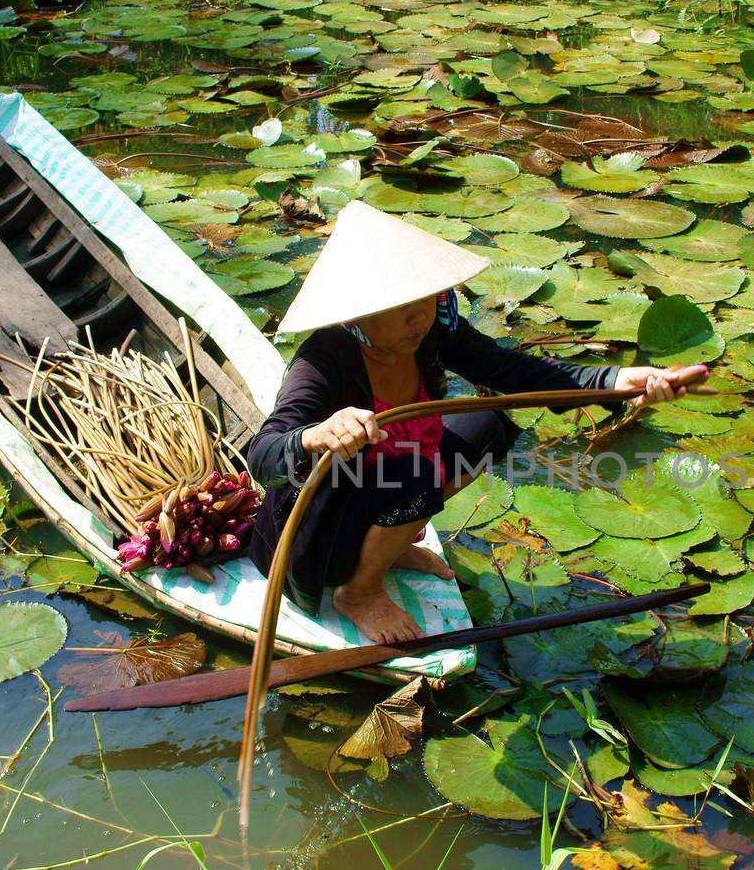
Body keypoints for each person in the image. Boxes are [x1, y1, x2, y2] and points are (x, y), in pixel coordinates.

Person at [244, 200, 706, 643]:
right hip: (314, 537)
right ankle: (358, 591)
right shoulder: (324, 361)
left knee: (485, 426)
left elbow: (517, 372)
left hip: (388, 489)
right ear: (358, 313)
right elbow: (262, 455)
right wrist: (315, 436)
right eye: (399, 305)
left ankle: (387, 548)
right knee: (414, 474)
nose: (418, 316)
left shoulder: (430, 333)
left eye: (425, 299)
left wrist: (621, 380)